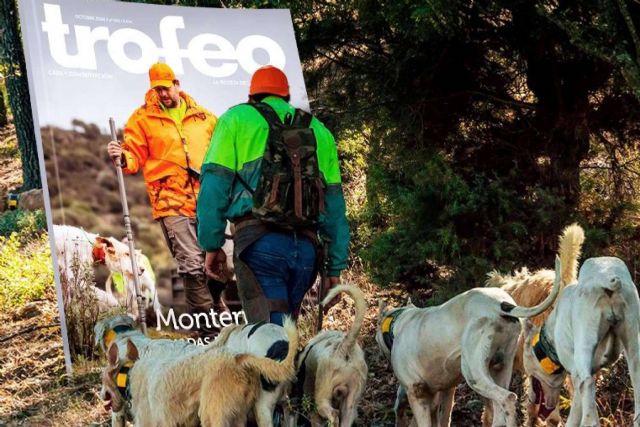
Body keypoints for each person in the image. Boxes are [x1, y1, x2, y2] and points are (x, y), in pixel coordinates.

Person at [197, 65, 349, 325]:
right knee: (286, 333)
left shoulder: (236, 119)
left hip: (258, 243)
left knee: (271, 339)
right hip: (306, 248)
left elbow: (214, 187)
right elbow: (334, 207)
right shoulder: (319, 130)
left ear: (252, 96)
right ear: (286, 96)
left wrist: (212, 245)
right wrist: (334, 267)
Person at [107, 63, 225, 336]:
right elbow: (133, 156)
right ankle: (210, 333)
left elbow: (222, 156)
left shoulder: (204, 117)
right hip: (171, 202)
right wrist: (121, 156)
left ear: (177, 84)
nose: (162, 94)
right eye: (156, 89)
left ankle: (219, 313)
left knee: (222, 264)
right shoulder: (142, 119)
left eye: (165, 87)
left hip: (210, 200)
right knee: (193, 266)